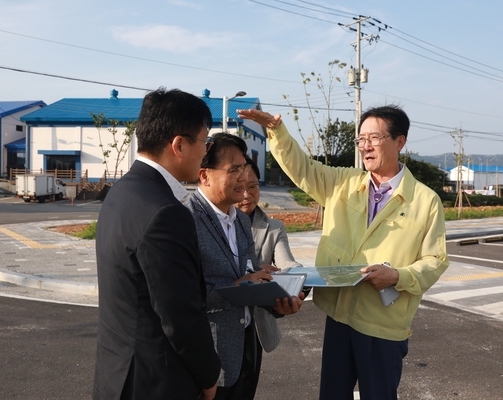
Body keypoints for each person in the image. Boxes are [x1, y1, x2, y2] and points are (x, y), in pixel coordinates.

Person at [238, 105, 449, 400]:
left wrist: (398, 276)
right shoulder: (343, 183)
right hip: (339, 316)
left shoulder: (426, 201)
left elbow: (435, 260)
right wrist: (276, 130)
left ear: (399, 141)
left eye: (373, 138)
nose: (365, 146)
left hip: (383, 324)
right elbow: (303, 168)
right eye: (360, 139)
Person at [93, 88, 221, 400]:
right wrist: (209, 377)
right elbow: (180, 316)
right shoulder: (166, 213)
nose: (205, 153)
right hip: (156, 383)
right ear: (179, 145)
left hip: (116, 375)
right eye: (204, 141)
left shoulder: (120, 192)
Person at [186, 132, 303, 400]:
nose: (243, 177)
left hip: (247, 346)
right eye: (234, 169)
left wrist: (275, 300)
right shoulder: (185, 219)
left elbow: (247, 275)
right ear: (204, 175)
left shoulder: (239, 220)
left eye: (245, 168)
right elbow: (180, 298)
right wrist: (235, 288)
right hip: (209, 356)